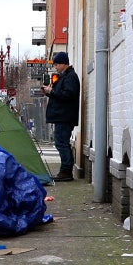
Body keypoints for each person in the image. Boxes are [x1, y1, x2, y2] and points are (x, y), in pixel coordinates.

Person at [41, 52, 80, 182]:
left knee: (62, 143)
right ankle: (65, 170)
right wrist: (50, 92)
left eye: (57, 64)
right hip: (63, 116)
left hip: (64, 116)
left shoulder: (70, 77)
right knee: (61, 143)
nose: (56, 67)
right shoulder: (66, 76)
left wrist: (52, 91)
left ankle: (66, 171)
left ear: (64, 63)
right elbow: (62, 94)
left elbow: (68, 95)